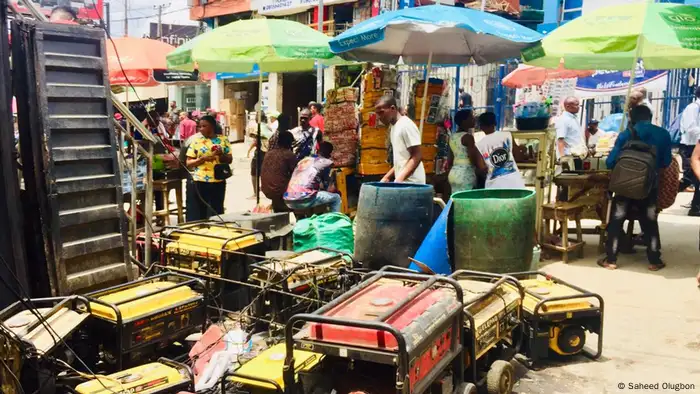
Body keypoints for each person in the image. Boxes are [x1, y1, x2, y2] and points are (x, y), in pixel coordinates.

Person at [599, 105, 672, 271]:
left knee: (617, 220)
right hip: (649, 187)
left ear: (632, 118)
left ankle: (611, 260)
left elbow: (610, 162)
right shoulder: (663, 134)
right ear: (650, 116)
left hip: (624, 187)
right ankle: (654, 260)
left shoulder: (625, 135)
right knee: (650, 221)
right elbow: (666, 162)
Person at [185, 116, 233, 220]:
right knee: (200, 210)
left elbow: (229, 159)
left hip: (218, 179)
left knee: (217, 209)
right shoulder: (196, 141)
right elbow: (189, 163)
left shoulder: (223, 140)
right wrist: (202, 159)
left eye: (204, 126)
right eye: (199, 126)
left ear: (212, 126)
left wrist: (221, 155)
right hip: (200, 180)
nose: (201, 129)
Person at [375, 96, 425, 184]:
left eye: (381, 112)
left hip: (413, 184)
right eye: (377, 114)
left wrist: (400, 179)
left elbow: (417, 155)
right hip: (403, 183)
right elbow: (401, 160)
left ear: (393, 108)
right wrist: (387, 177)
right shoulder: (394, 127)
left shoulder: (406, 125)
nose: (379, 117)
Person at [284, 142, 342, 212]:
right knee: (336, 198)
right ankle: (335, 220)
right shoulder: (326, 162)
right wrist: (337, 191)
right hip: (304, 199)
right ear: (330, 154)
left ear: (317, 150)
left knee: (314, 195)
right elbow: (329, 189)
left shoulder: (304, 160)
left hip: (288, 199)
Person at [475, 112, 526, 189]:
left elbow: (483, 169)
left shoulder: (479, 145)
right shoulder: (507, 135)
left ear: (481, 126)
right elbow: (518, 157)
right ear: (495, 123)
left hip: (494, 186)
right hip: (514, 183)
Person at [445, 108, 481, 192]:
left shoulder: (452, 137)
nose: (474, 119)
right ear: (464, 121)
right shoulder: (468, 137)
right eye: (471, 117)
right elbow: (472, 158)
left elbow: (450, 159)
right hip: (466, 174)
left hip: (454, 173)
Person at [261, 131, 298, 212]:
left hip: (266, 189)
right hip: (279, 191)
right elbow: (296, 173)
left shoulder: (269, 153)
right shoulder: (288, 154)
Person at [679, 86, 700, 217]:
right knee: (689, 178)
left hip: (696, 145)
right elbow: (690, 127)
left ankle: (695, 207)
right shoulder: (693, 108)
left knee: (695, 179)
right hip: (690, 146)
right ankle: (664, 195)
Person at [247, 112, 274, 199]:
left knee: (254, 172)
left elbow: (255, 141)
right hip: (269, 151)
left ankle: (255, 193)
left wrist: (248, 151)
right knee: (265, 172)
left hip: (260, 152)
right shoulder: (268, 127)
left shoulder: (257, 127)